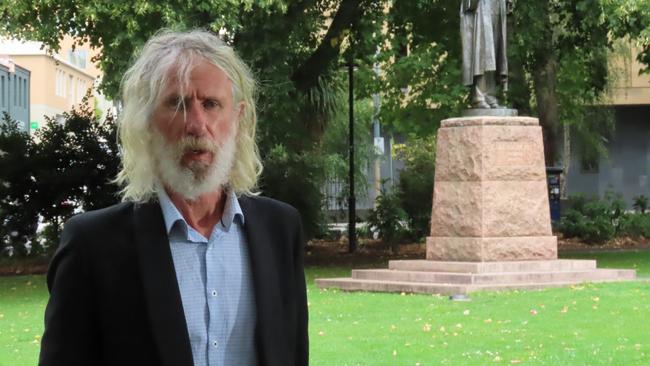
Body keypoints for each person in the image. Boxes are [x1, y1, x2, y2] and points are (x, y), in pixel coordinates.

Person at [39, 29, 308, 366]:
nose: (196, 124)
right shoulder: (92, 246)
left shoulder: (280, 230)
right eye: (177, 104)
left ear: (237, 118)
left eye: (211, 104)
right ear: (148, 122)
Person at [460, 0, 513, 108]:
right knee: (482, 49)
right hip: (480, 4)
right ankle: (478, 96)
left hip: (497, 4)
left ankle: (490, 95)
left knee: (494, 50)